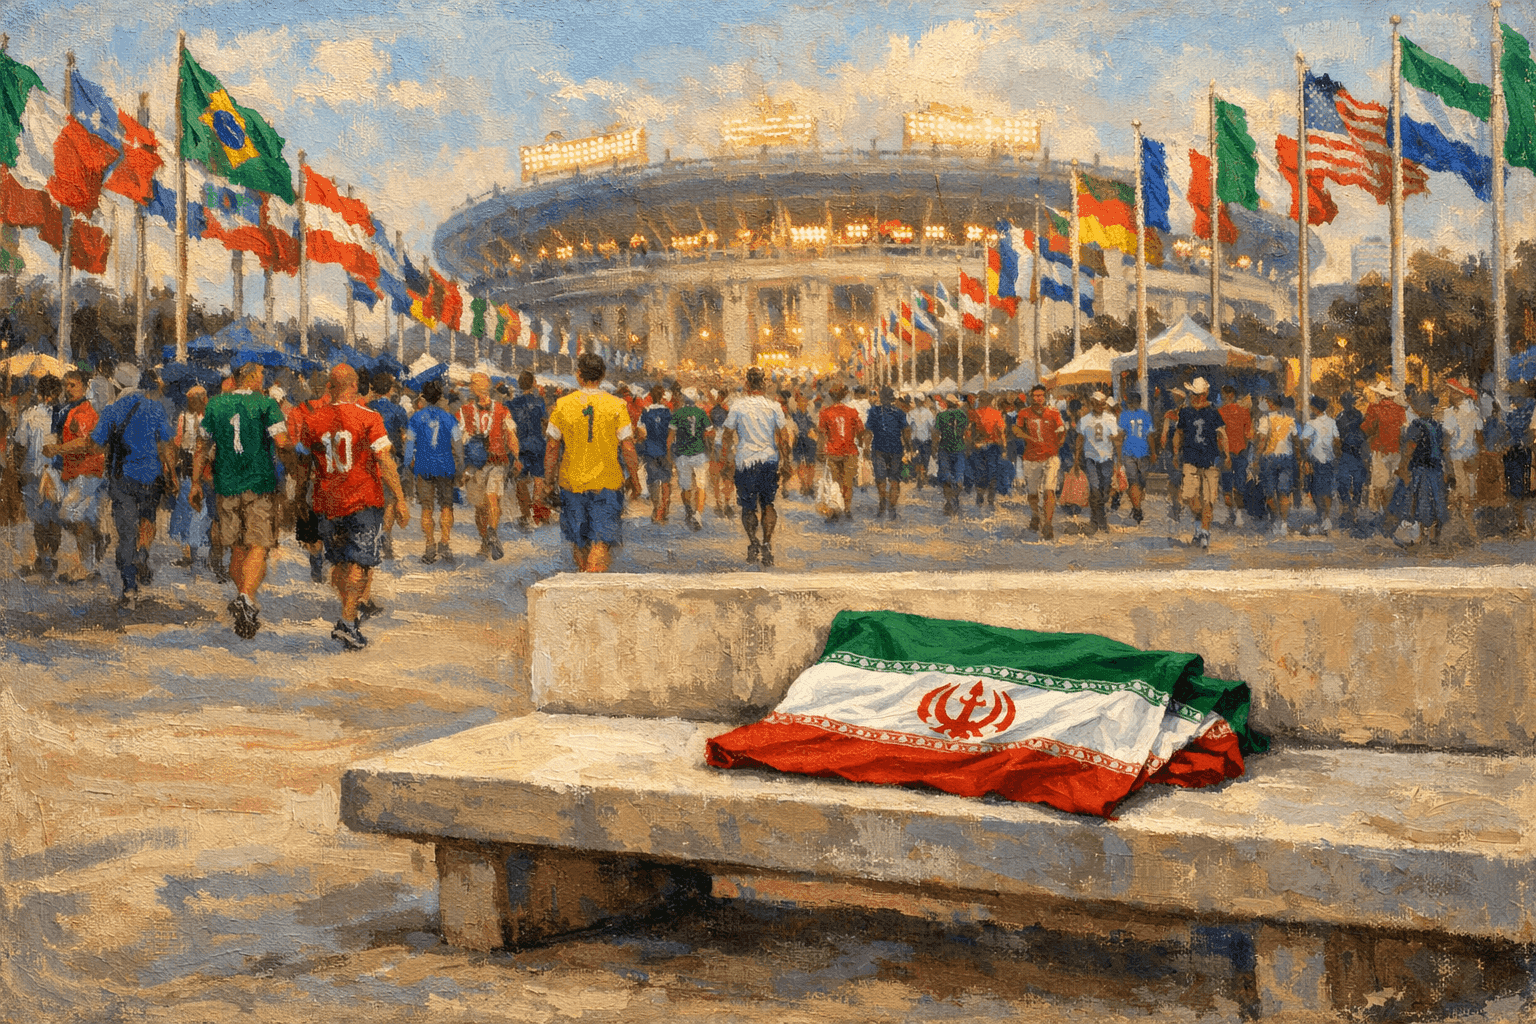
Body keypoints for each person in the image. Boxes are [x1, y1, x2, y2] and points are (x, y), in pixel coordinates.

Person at [299, 364, 410, 649]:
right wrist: (399, 496)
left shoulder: (313, 420)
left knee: (338, 561)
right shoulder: (369, 417)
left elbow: (303, 462)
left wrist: (300, 497)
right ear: (355, 386)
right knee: (359, 562)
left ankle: (348, 613)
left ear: (330, 387)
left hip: (327, 500)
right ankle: (348, 620)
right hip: (362, 499)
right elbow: (384, 460)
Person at [50, 365, 177, 610]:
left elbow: (96, 447)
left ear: (116, 385)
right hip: (152, 475)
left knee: (126, 532)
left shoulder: (111, 411)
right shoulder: (154, 407)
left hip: (122, 477)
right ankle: (142, 553)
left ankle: (130, 588)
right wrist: (171, 473)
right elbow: (167, 444)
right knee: (147, 520)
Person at [190, 362, 290, 636]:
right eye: (261, 375)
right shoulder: (267, 404)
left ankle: (242, 597)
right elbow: (281, 442)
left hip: (225, 484)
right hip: (259, 484)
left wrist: (196, 482)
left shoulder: (215, 405)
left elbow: (201, 446)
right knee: (259, 544)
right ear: (254, 378)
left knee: (236, 546)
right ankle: (246, 597)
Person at [542, 353, 640, 572]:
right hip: (608, 482)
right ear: (603, 375)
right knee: (601, 541)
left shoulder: (562, 405)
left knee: (579, 541)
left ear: (579, 375)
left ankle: (584, 579)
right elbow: (628, 447)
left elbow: (551, 447)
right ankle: (593, 585)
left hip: (571, 482)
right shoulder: (617, 406)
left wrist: (548, 482)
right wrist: (634, 479)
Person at [721, 366, 789, 565]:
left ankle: (753, 542)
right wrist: (787, 462)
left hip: (745, 461)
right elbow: (783, 437)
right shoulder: (773, 406)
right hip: (769, 460)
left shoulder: (738, 406)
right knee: (768, 504)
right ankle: (767, 543)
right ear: (764, 384)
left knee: (748, 507)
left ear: (747, 384)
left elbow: (726, 435)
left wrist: (726, 459)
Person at [457, 372, 519, 560]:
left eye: (474, 384)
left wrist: (516, 456)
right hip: (485, 462)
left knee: (489, 500)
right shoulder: (500, 410)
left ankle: (489, 536)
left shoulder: (466, 410)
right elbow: (512, 435)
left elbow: (459, 440)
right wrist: (516, 457)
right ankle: (488, 537)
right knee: (484, 504)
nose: (472, 387)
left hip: (488, 463)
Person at [53, 369, 106, 582]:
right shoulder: (72, 409)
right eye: (67, 385)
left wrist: (57, 450)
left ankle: (91, 553)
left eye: (73, 385)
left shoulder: (85, 410)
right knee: (85, 517)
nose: (68, 389)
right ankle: (88, 565)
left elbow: (84, 442)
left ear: (84, 386)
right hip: (77, 470)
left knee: (68, 514)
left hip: (87, 470)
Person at [403, 378, 462, 563]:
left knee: (426, 508)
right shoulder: (449, 417)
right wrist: (460, 465)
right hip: (445, 465)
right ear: (440, 397)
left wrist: (407, 463)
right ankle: (444, 542)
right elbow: (458, 444)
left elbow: (409, 443)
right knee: (446, 506)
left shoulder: (416, 418)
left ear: (424, 397)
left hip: (423, 465)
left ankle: (430, 545)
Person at [284, 373, 331, 584]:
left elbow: (294, 445)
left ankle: (316, 566)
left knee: (310, 522)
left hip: (307, 473)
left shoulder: (295, 413)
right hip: (331, 475)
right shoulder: (332, 409)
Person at [14, 374, 62, 580]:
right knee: (55, 517)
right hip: (58, 473)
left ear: (39, 394)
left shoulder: (29, 415)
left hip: (34, 473)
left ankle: (44, 556)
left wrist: (17, 470)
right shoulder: (64, 415)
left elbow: (20, 444)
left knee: (39, 520)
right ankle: (51, 554)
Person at [1172, 377, 1229, 550]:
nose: (1195, 397)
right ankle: (1199, 525)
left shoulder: (1213, 412)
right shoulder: (1185, 412)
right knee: (1190, 497)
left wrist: (1226, 455)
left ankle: (1204, 531)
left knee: (1208, 500)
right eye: (1193, 394)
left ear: (1205, 394)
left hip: (1210, 461)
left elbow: (1222, 435)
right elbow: (1179, 434)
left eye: (1198, 394)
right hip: (1190, 460)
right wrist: (1175, 453)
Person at [169, 386, 215, 571]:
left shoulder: (211, 416)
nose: (190, 405)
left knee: (207, 513)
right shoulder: (184, 418)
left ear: (203, 399)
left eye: (193, 401)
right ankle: (188, 553)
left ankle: (210, 554)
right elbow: (177, 443)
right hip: (189, 467)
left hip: (209, 468)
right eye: (189, 401)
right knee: (186, 511)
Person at [1399, 391, 1449, 546]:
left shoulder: (1419, 426)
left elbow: (1409, 448)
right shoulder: (1435, 426)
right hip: (1431, 468)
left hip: (1424, 469)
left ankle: (1426, 536)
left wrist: (1404, 466)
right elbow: (1443, 449)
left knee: (1426, 501)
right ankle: (1429, 536)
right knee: (1432, 501)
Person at [1013, 385, 1063, 537]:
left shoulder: (1054, 412)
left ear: (1045, 397)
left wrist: (1057, 444)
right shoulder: (1024, 413)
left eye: (1040, 395)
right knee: (1033, 493)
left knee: (1049, 490)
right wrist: (1028, 438)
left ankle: (1047, 524)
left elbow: (1061, 430)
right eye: (1035, 396)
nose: (1037, 398)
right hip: (1031, 458)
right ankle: (1035, 515)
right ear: (1030, 397)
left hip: (1050, 457)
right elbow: (1016, 429)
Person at [368, 371, 409, 560]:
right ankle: (386, 532)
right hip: (391, 458)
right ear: (391, 390)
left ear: (373, 389)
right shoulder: (398, 410)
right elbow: (404, 436)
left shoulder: (367, 408)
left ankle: (373, 534)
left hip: (369, 459)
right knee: (391, 498)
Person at [1440, 378, 1483, 538]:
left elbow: (1448, 434)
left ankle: (1466, 524)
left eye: (1452, 392)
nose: (1450, 395)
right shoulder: (1471, 411)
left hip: (1460, 455)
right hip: (1469, 453)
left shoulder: (1451, 413)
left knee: (1462, 488)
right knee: (1468, 488)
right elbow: (1479, 430)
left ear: (1458, 394)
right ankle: (1467, 523)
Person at [1076, 390, 1122, 534]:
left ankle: (1099, 517)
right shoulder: (1084, 420)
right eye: (1097, 404)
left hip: (1107, 458)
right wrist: (1076, 459)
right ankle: (1096, 520)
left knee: (1105, 490)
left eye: (1102, 404)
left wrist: (1119, 460)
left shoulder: (1110, 419)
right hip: (1090, 458)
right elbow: (1079, 440)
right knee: (1095, 489)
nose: (1100, 406)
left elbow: (1116, 440)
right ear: (1092, 403)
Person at [507, 370, 547, 532]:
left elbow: (509, 428)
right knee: (539, 480)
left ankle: (524, 515)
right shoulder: (540, 402)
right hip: (537, 443)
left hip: (520, 445)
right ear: (532, 383)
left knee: (521, 481)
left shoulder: (511, 404)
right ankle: (537, 511)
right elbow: (544, 422)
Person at [1362, 383, 1408, 520]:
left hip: (1380, 449)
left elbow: (1366, 427)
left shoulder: (1374, 409)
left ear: (1380, 395)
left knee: (1379, 483)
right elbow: (1404, 430)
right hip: (1396, 450)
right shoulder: (1400, 410)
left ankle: (1378, 511)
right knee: (1393, 482)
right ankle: (1393, 510)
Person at [817, 382, 862, 521]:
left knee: (835, 482)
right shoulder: (852, 412)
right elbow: (860, 431)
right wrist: (860, 444)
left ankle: (836, 508)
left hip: (832, 452)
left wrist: (820, 450)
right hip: (849, 452)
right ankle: (847, 508)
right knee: (848, 483)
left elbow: (822, 434)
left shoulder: (825, 412)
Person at [669, 387, 712, 532]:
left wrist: (669, 453)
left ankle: (688, 509)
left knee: (685, 486)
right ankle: (698, 514)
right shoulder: (701, 413)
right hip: (699, 453)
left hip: (682, 454)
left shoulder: (678, 413)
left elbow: (671, 435)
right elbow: (709, 431)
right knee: (701, 486)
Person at [865, 385, 911, 520]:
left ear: (881, 397)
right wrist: (909, 446)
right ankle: (891, 507)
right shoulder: (899, 412)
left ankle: (882, 502)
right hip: (895, 449)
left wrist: (866, 447)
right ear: (892, 398)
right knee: (894, 480)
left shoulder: (873, 412)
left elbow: (868, 431)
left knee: (880, 479)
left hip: (879, 448)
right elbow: (906, 430)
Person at [1255, 393, 1298, 537]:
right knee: (1283, 492)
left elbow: (1262, 441)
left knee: (1269, 492)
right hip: (1287, 457)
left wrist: (1256, 459)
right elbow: (1296, 441)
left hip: (1269, 458)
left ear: (1271, 404)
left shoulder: (1264, 419)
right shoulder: (1290, 419)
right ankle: (1283, 523)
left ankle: (1276, 520)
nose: (1265, 404)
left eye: (1266, 401)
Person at [1299, 394, 1340, 535]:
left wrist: (1305, 459)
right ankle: (1326, 518)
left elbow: (1304, 441)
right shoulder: (1332, 422)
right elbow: (1336, 440)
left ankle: (1321, 515)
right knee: (1327, 489)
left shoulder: (1311, 424)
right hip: (1328, 459)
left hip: (1315, 460)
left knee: (1315, 490)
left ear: (1315, 408)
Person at [637, 384, 674, 524]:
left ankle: (656, 507)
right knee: (665, 480)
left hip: (650, 449)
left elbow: (641, 433)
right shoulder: (668, 412)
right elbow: (672, 432)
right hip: (665, 450)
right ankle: (664, 507)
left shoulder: (645, 413)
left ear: (651, 397)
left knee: (652, 480)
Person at [1217, 384, 1252, 527]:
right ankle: (1238, 515)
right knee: (1239, 485)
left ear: (1227, 395)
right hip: (1241, 452)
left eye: (1223, 394)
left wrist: (1224, 453)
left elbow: (1219, 437)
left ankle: (1232, 514)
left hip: (1226, 453)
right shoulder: (1244, 412)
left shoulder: (1220, 412)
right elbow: (1250, 434)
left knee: (1226, 486)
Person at [1117, 391, 1154, 525]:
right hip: (1143, 452)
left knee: (1134, 482)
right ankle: (1137, 508)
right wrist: (1153, 452)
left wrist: (1118, 455)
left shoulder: (1124, 415)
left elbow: (1121, 436)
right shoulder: (1146, 415)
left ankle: (1136, 507)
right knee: (1139, 482)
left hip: (1128, 451)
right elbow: (1150, 435)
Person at [933, 392, 971, 520]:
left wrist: (934, 448)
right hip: (959, 448)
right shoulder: (962, 415)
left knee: (946, 477)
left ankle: (950, 501)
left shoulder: (941, 416)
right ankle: (954, 498)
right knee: (959, 477)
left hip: (944, 448)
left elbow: (936, 433)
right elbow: (966, 432)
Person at [1335, 391, 1368, 525]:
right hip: (1346, 452)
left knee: (1358, 481)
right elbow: (1337, 437)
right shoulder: (1340, 417)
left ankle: (1353, 507)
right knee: (1343, 481)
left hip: (1356, 452)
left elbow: (1364, 432)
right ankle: (1346, 505)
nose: (1348, 404)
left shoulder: (1359, 415)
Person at [970, 391, 1006, 511]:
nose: (979, 402)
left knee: (980, 471)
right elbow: (1001, 431)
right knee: (993, 472)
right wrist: (1004, 446)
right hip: (993, 447)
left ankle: (980, 497)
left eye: (980, 400)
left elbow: (970, 432)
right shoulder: (996, 414)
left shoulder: (975, 413)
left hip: (979, 447)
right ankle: (990, 498)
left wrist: (972, 444)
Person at [909, 391, 935, 490]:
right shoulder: (928, 413)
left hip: (918, 440)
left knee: (920, 460)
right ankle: (921, 477)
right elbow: (932, 427)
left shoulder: (912, 413)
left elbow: (908, 427)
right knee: (923, 459)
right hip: (923, 440)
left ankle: (920, 476)